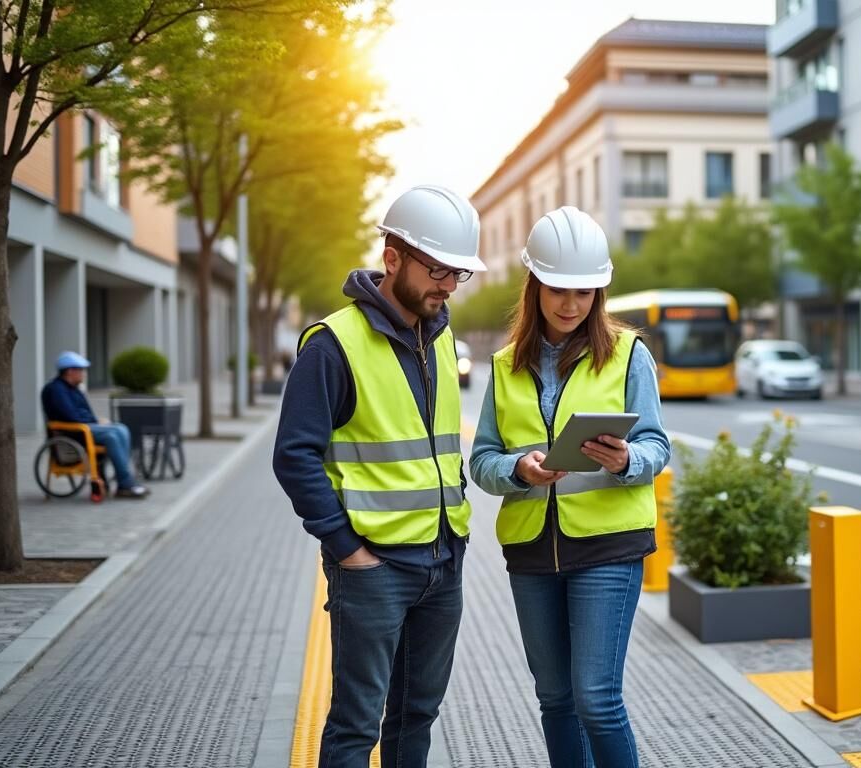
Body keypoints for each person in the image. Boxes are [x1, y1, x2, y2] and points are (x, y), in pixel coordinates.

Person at [272, 184, 485, 767]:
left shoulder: (441, 338)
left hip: (443, 560)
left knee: (417, 716)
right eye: (438, 270)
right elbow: (293, 456)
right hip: (374, 569)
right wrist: (347, 550)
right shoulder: (333, 345)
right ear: (392, 258)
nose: (448, 285)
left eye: (458, 273)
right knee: (356, 725)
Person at [469, 206, 669, 768]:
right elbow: (481, 461)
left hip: (608, 547)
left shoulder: (629, 355)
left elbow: (657, 446)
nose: (570, 303)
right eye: (558, 289)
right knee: (555, 701)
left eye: (584, 292)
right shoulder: (504, 365)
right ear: (534, 285)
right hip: (532, 550)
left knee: (596, 701)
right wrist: (519, 470)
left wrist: (627, 459)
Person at [40, 352, 150, 499]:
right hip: (72, 433)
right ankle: (125, 484)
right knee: (111, 436)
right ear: (70, 371)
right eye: (81, 370)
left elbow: (85, 414)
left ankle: (125, 479)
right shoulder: (56, 389)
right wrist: (95, 423)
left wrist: (97, 421)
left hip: (84, 428)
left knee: (122, 428)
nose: (84, 374)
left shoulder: (74, 389)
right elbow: (71, 417)